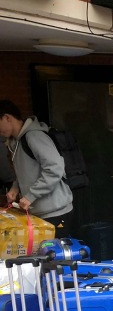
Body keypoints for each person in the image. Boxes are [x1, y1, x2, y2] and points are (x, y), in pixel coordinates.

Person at [0, 100, 73, 236]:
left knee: (53, 255)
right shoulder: (16, 142)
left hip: (55, 212)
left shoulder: (34, 136)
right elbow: (26, 170)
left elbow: (54, 168)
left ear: (7, 118)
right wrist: (15, 188)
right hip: (39, 213)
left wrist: (30, 196)